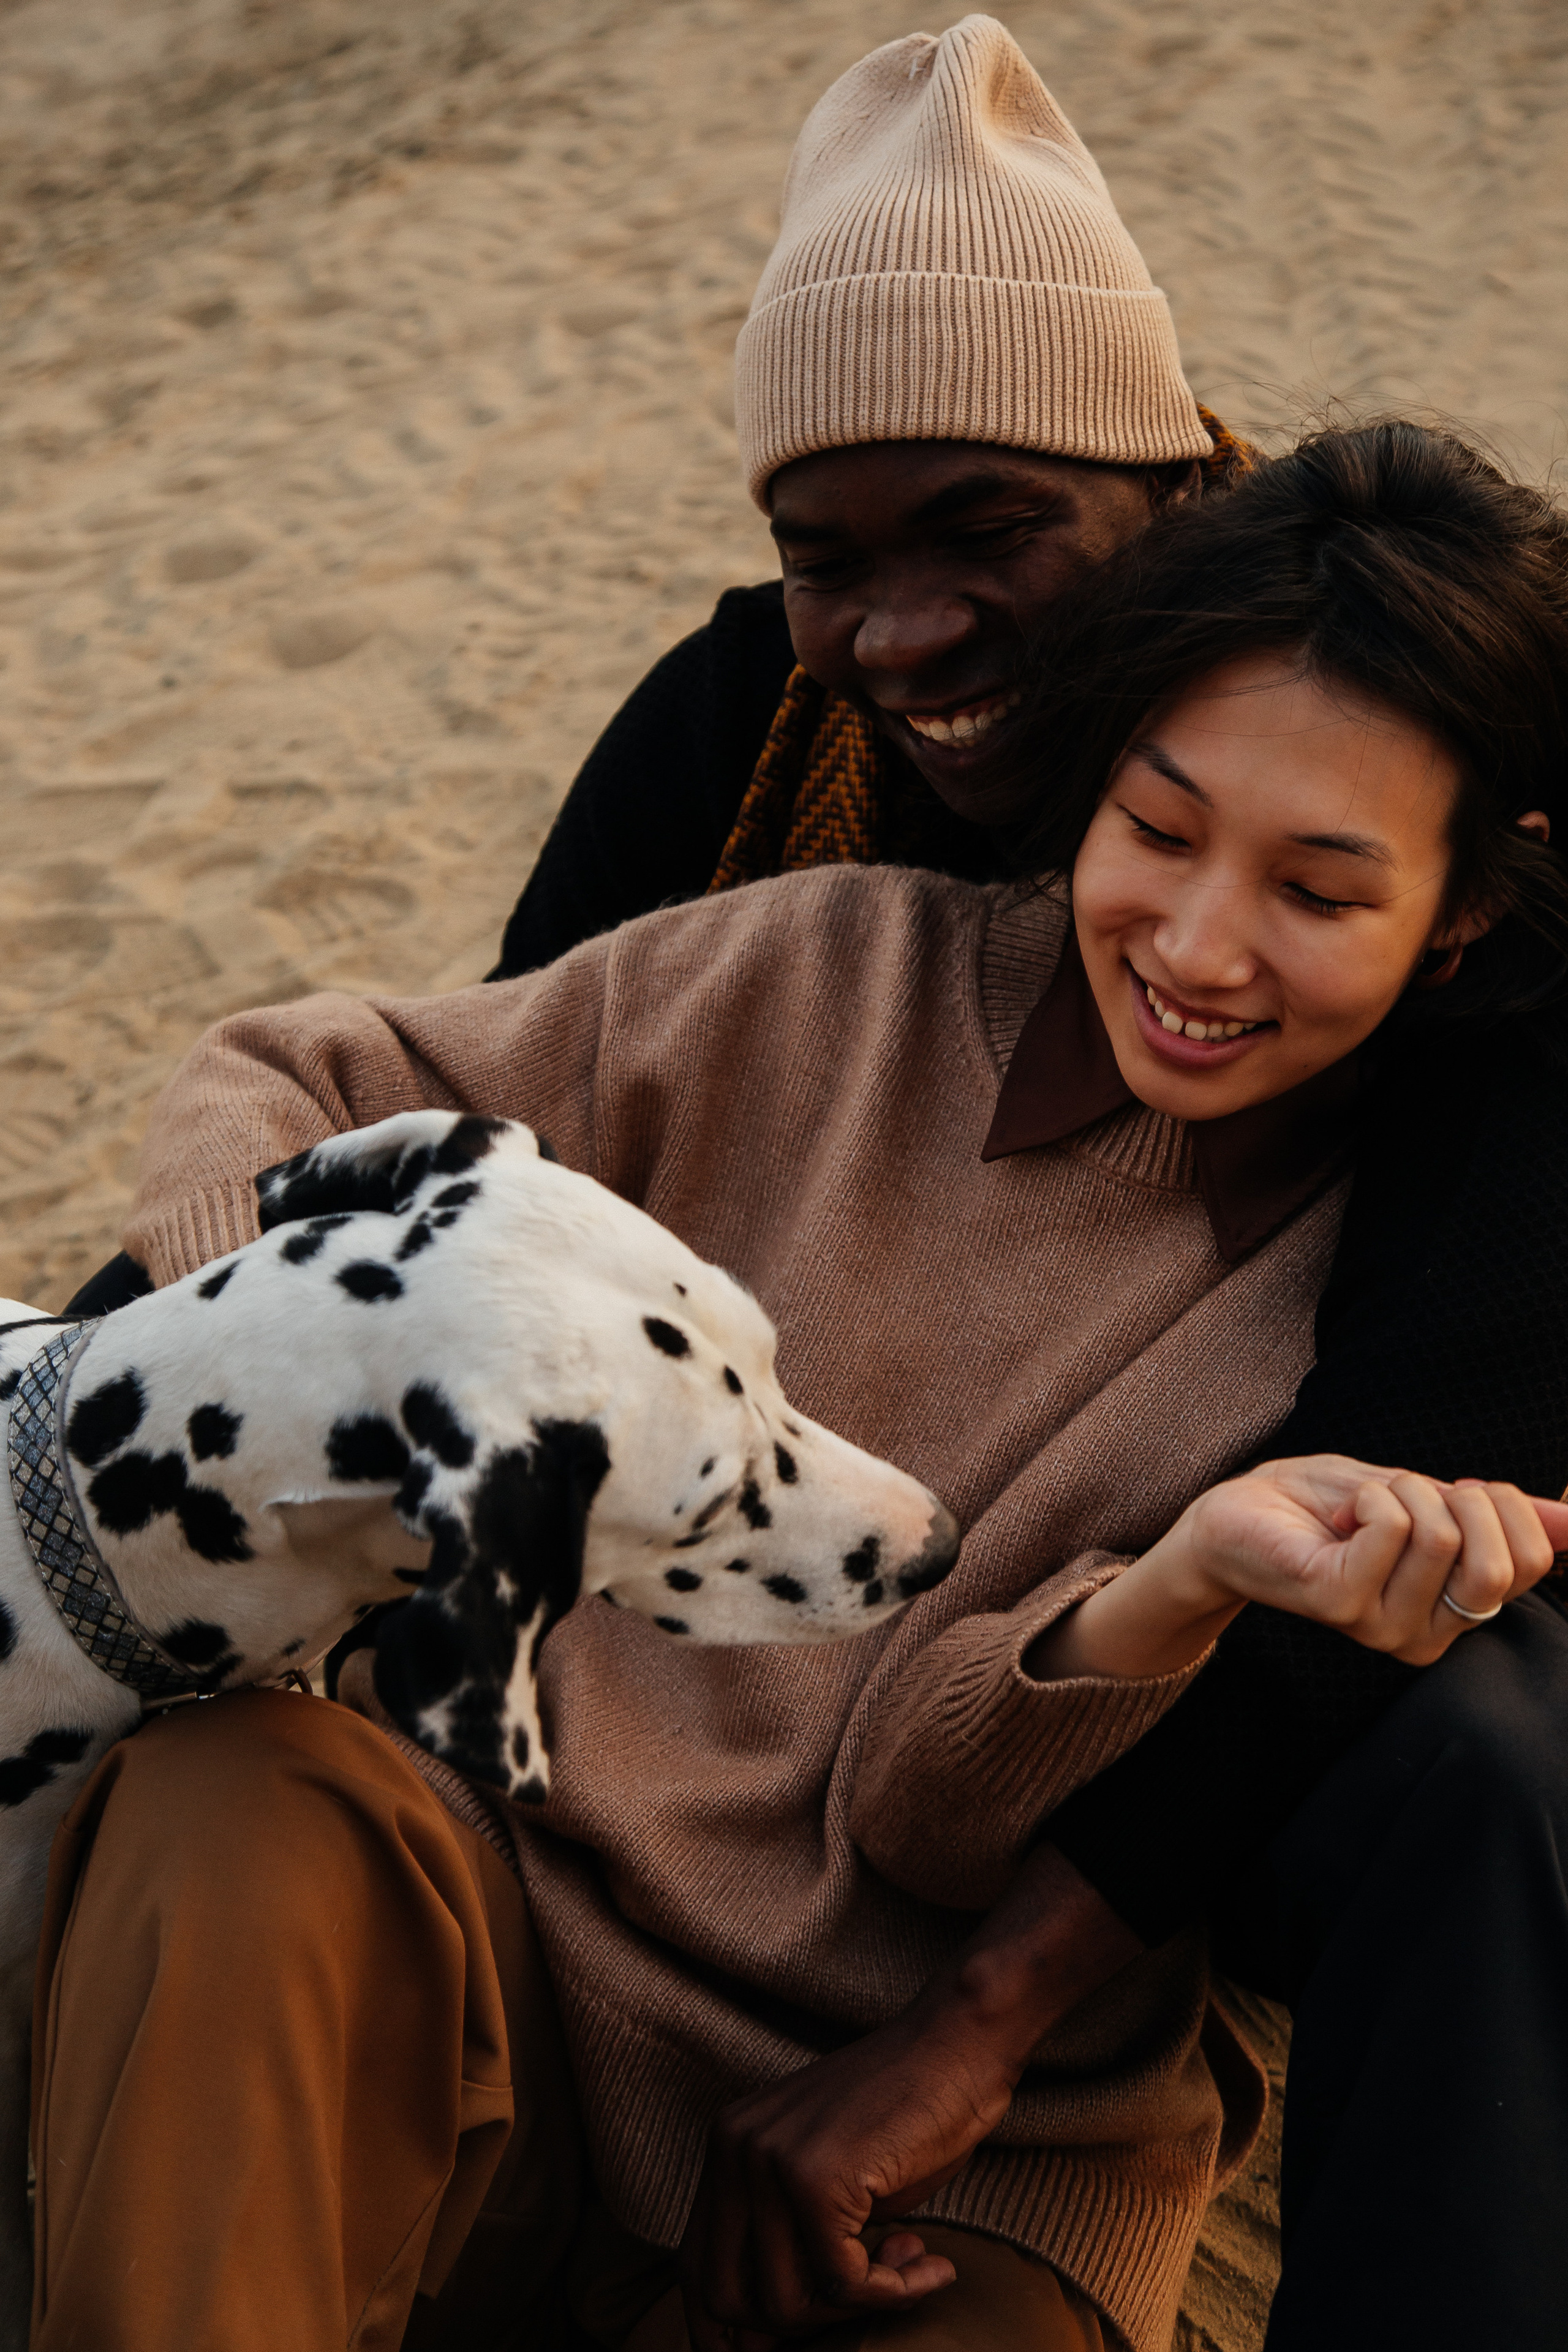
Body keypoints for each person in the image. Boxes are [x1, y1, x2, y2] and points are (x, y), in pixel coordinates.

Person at [29, 421, 1568, 2352]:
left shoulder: (1413, 1317)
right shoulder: (822, 961)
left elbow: (919, 1815)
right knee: (234, 1798)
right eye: (1159, 830)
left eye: (1320, 893)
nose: (1196, 945)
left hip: (950, 2186)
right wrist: (314, 1326)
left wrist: (1171, 1588)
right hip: (487, 1972)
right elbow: (297, 1067)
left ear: (1468, 919)